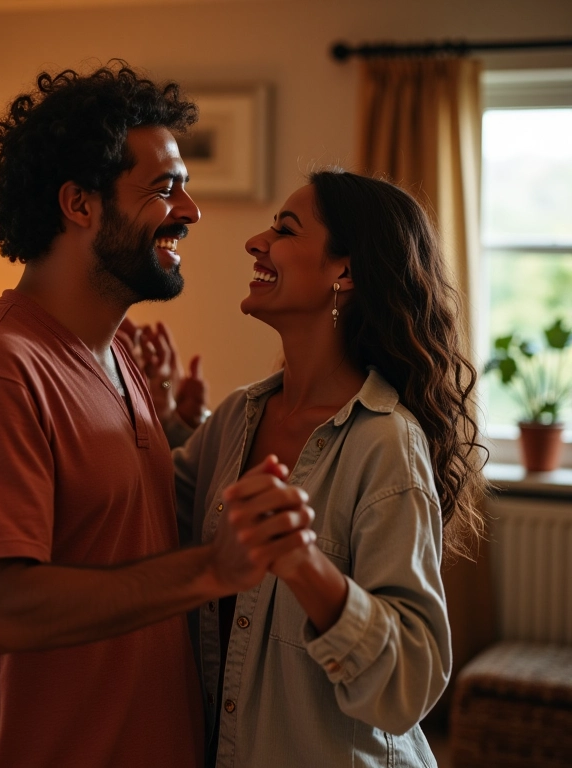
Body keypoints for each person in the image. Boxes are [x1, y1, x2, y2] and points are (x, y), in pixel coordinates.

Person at [0, 62, 316, 768]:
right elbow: (4, 609)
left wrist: (180, 425)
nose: (191, 210)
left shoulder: (118, 357)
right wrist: (213, 569)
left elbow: (116, 527)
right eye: (165, 188)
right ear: (80, 204)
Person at [163, 169, 488, 767]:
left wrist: (306, 567)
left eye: (284, 230)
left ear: (344, 271)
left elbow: (408, 689)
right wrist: (151, 412)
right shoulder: (236, 417)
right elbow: (153, 509)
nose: (254, 242)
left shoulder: (386, 445)